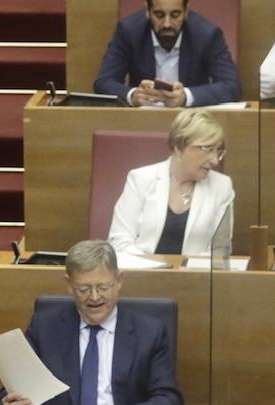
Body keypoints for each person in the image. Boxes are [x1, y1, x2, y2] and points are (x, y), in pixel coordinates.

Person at [0, 240, 183, 405]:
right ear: (69, 284)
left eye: (102, 287)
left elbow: (169, 403)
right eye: (84, 289)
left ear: (118, 281)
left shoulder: (149, 331)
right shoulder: (45, 327)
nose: (94, 297)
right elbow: (9, 391)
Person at [107, 109, 232, 257]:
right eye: (208, 149)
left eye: (218, 151)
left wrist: (185, 270)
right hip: (142, 274)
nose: (215, 160)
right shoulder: (141, 179)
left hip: (195, 276)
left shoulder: (222, 186)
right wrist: (155, 267)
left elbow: (220, 249)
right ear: (179, 147)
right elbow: (119, 241)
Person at [94, 0, 239, 108]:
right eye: (159, 15)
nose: (167, 24)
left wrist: (185, 97)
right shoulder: (128, 31)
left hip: (191, 122)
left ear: (186, 11)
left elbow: (232, 86)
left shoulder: (207, 35)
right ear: (147, 11)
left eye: (175, 15)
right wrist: (133, 95)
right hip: (143, 122)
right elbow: (103, 82)